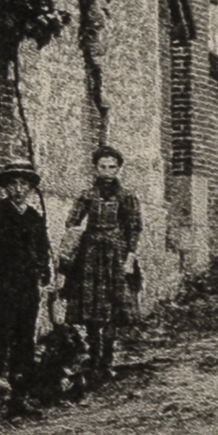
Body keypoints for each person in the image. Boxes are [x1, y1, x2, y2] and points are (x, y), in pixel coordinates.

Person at [0, 158, 52, 420]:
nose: (18, 188)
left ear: (29, 188)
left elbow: (42, 251)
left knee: (24, 343)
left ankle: (19, 398)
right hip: (2, 289)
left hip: (27, 289)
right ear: (5, 188)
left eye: (23, 184)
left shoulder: (35, 217)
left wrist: (43, 278)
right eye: (12, 184)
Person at [59, 145, 145, 396]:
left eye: (112, 167)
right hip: (91, 255)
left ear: (119, 169)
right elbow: (72, 221)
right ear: (95, 168)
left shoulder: (127, 196)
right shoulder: (87, 194)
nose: (107, 171)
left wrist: (130, 256)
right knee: (91, 307)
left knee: (113, 307)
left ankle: (107, 359)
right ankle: (94, 357)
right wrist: (74, 240)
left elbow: (134, 228)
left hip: (117, 255)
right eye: (102, 166)